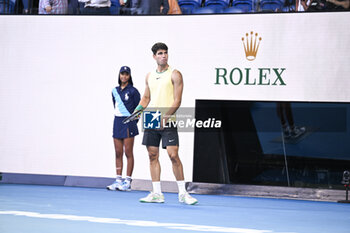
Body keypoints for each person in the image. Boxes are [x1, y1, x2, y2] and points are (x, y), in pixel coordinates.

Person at [134, 42, 198, 205]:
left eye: (165, 53)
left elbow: (177, 100)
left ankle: (183, 194)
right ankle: (156, 193)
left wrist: (166, 116)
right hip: (151, 118)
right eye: (160, 53)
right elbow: (146, 98)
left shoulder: (175, 74)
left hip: (168, 119)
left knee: (173, 155)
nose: (163, 56)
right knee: (152, 155)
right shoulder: (149, 76)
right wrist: (137, 111)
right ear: (154, 56)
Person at [107, 66, 140, 191]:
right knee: (118, 152)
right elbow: (115, 105)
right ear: (119, 75)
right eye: (122, 74)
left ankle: (127, 181)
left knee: (128, 152)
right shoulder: (114, 90)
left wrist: (133, 122)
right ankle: (118, 180)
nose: (124, 76)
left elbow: (139, 108)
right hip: (117, 122)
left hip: (128, 123)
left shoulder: (133, 91)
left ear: (129, 76)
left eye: (126, 74)